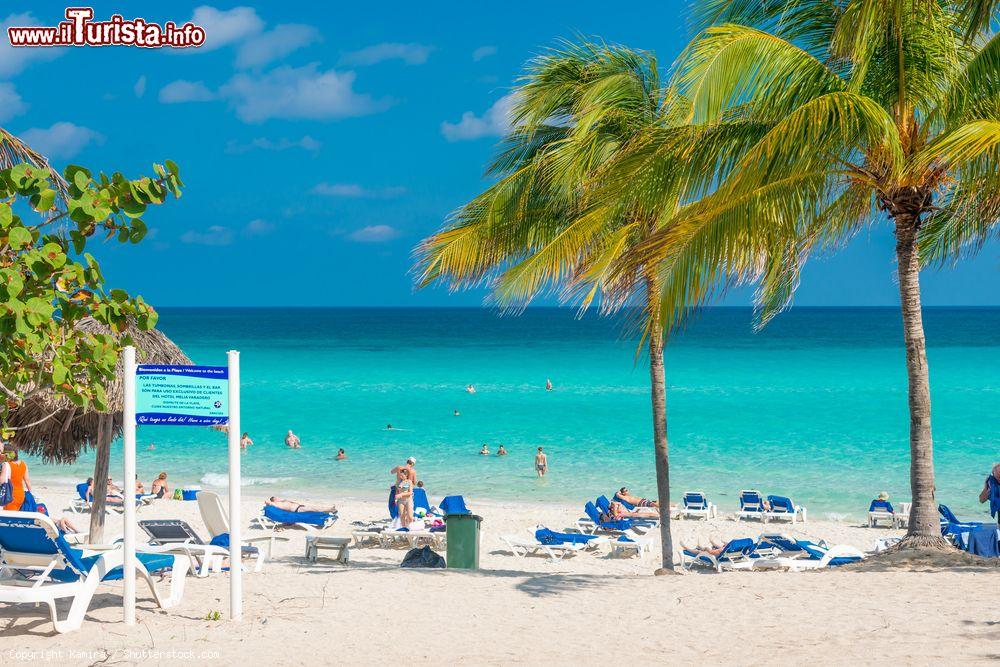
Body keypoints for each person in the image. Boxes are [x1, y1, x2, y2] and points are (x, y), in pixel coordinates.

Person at [0, 445, 31, 511]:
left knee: (8, 515)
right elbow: (27, 481)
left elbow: (1, 480)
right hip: (21, 495)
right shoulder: (23, 464)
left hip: (9, 495)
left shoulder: (6, 464)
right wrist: (30, 493)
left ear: (7, 454)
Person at [266, 496, 337, 514]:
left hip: (299, 507)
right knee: (315, 508)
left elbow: (291, 502)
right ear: (274, 500)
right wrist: (270, 502)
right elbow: (267, 502)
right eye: (276, 498)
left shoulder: (282, 501)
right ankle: (331, 509)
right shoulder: (276, 504)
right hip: (297, 509)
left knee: (314, 509)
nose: (277, 498)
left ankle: (329, 510)